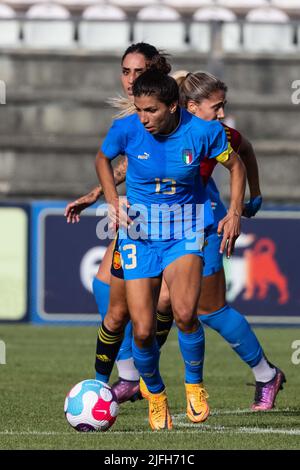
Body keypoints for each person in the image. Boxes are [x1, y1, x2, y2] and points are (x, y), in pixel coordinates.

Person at [66, 67, 286, 414]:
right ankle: (139, 379)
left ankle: (264, 374)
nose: (223, 113)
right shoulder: (154, 130)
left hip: (200, 223)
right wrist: (98, 195)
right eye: (217, 106)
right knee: (146, 305)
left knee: (204, 309)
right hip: (151, 226)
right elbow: (122, 166)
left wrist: (249, 200)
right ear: (191, 105)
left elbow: (244, 155)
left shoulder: (212, 132)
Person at [94, 69, 246, 430]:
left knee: (184, 314)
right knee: (143, 331)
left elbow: (236, 165)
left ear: (173, 106)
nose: (143, 118)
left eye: (151, 111)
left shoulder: (203, 131)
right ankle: (157, 394)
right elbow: (102, 160)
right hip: (139, 234)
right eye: (139, 109)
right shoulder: (128, 130)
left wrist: (235, 212)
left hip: (185, 231)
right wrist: (113, 201)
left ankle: (194, 385)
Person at [65, 43, 172, 401]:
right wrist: (99, 194)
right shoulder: (136, 114)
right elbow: (131, 162)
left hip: (182, 217)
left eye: (137, 72)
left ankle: (143, 375)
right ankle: (129, 375)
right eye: (125, 72)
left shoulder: (170, 102)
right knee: (108, 291)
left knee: (181, 309)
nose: (129, 80)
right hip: (140, 216)